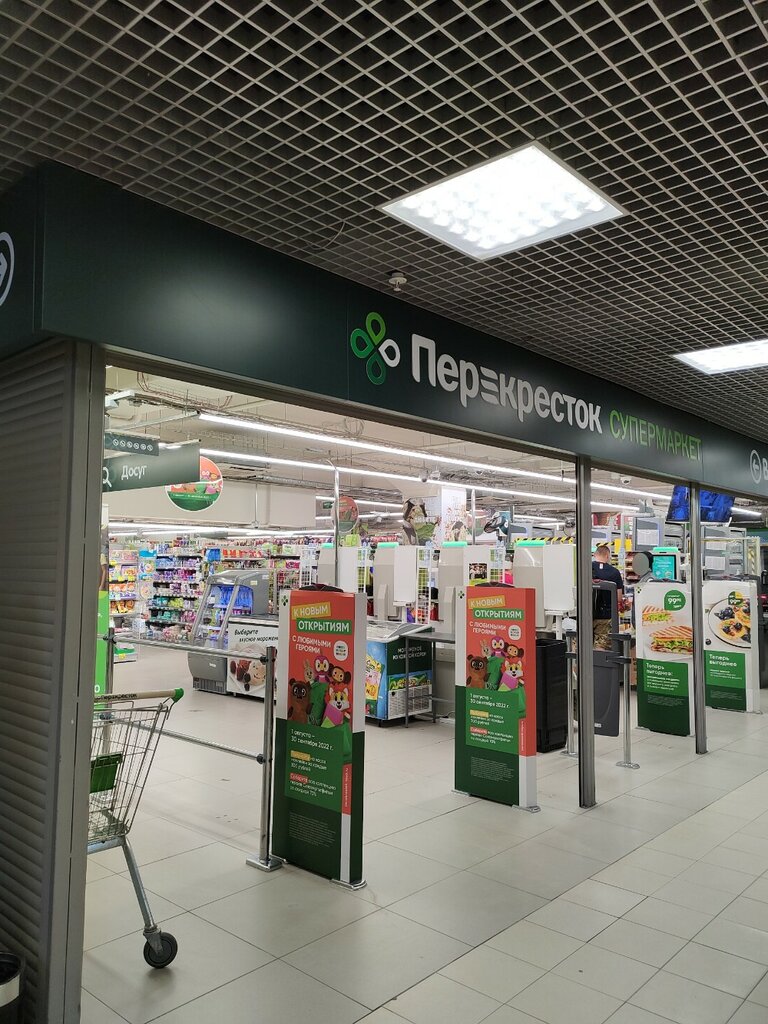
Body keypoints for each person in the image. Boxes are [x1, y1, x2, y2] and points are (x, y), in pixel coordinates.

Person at [592, 543, 623, 651]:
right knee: (601, 646)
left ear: (595, 555)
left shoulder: (585, 568)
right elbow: (619, 597)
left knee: (581, 645)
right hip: (606, 616)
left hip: (586, 614)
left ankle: (579, 663)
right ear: (607, 556)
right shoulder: (614, 572)